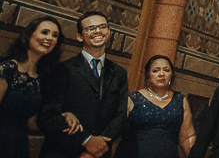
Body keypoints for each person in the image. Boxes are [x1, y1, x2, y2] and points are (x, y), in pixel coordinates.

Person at [39, 11, 129, 158]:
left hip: (100, 153)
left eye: (102, 26)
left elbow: (120, 115)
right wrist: (86, 141)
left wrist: (99, 147)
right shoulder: (63, 69)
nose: (98, 31)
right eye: (91, 28)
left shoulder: (119, 73)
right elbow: (48, 115)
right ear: (79, 36)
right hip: (63, 151)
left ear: (109, 31)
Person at [0, 16, 62, 158]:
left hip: (19, 142)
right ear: (29, 35)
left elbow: (31, 124)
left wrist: (64, 117)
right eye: (44, 32)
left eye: (55, 35)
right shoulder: (8, 68)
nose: (50, 38)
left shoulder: (42, 77)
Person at [116, 55, 195, 158]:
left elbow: (187, 138)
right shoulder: (133, 99)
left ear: (171, 75)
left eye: (166, 70)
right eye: (155, 71)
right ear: (148, 75)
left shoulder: (180, 100)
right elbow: (114, 129)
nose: (161, 74)